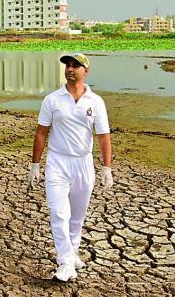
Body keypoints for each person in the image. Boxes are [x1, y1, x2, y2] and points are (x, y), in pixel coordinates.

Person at [28, 53, 113, 282]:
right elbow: (41, 132)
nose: (70, 69)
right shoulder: (52, 100)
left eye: (76, 66)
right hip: (57, 162)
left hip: (83, 163)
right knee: (59, 213)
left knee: (77, 216)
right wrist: (35, 164)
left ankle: (72, 252)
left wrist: (107, 167)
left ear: (86, 71)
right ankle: (65, 261)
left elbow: (103, 136)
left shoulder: (95, 102)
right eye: (67, 65)